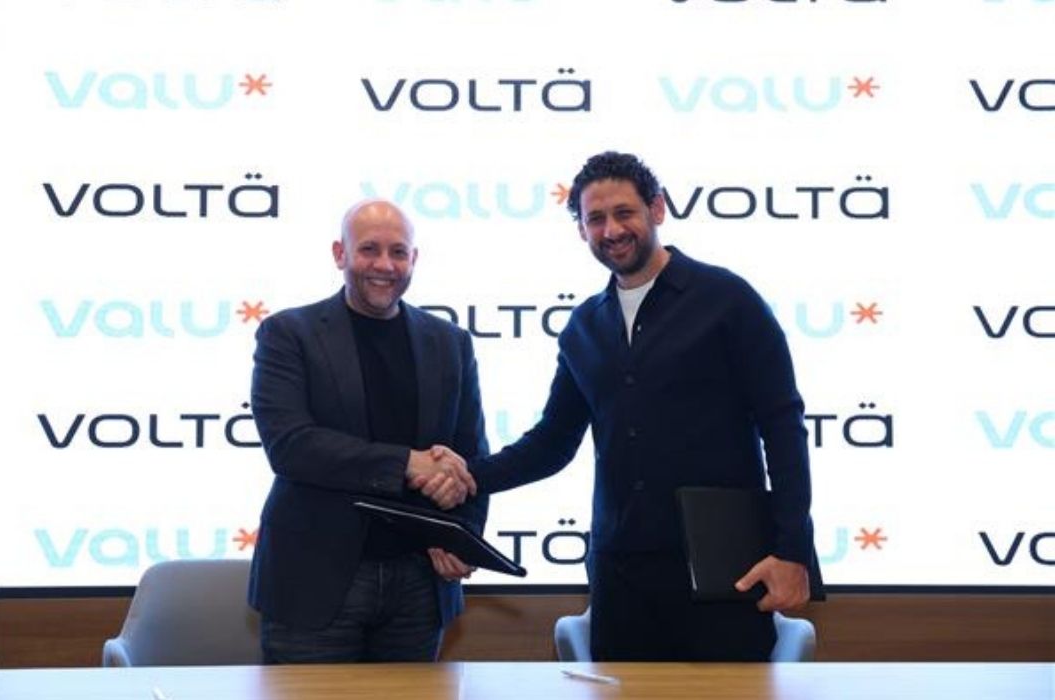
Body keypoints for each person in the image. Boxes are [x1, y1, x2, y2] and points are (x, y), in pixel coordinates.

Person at [426, 150, 823, 661]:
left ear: (657, 209)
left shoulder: (729, 299)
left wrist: (792, 550)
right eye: (595, 219)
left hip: (723, 570)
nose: (611, 230)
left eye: (624, 213)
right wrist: (466, 477)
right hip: (621, 577)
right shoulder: (584, 326)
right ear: (581, 230)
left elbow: (783, 426)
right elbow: (551, 443)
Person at [247, 199, 487, 664]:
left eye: (398, 252)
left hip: (420, 583)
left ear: (414, 259)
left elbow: (471, 454)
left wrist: (464, 537)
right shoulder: (287, 333)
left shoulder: (449, 342)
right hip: (314, 582)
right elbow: (291, 445)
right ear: (340, 254)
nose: (384, 265)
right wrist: (406, 463)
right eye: (369, 249)